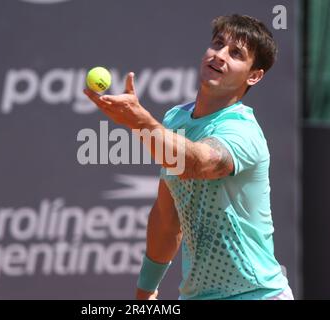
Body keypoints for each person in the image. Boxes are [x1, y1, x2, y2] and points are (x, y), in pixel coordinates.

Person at [84, 14, 293, 300]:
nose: (219, 55)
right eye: (217, 44)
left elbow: (198, 164)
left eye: (235, 53)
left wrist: (141, 123)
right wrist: (145, 292)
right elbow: (167, 217)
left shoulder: (243, 130)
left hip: (257, 294)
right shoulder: (175, 120)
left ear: (253, 75)